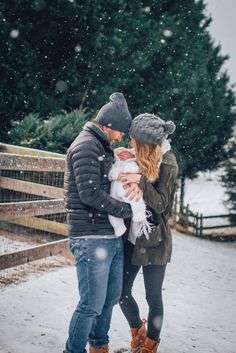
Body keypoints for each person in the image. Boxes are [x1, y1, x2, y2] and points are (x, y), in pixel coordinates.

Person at [63, 92, 138, 353]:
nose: (120, 138)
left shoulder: (102, 145)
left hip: (110, 234)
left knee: (109, 299)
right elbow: (90, 193)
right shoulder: (86, 146)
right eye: (119, 132)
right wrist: (128, 210)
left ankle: (99, 346)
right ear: (109, 126)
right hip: (91, 235)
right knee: (91, 304)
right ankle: (74, 350)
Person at [118, 113, 178, 353]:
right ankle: (137, 329)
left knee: (153, 298)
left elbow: (162, 205)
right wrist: (125, 157)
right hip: (132, 237)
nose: (130, 143)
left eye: (134, 142)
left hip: (156, 241)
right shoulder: (140, 155)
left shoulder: (169, 163)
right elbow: (134, 163)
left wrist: (140, 181)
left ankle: (150, 345)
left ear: (146, 144)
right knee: (121, 293)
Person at [108, 146, 155, 238]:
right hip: (114, 190)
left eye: (125, 153)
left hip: (127, 189)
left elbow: (135, 169)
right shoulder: (115, 165)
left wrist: (127, 171)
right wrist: (117, 175)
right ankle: (118, 227)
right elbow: (110, 174)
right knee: (112, 211)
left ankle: (139, 215)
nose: (122, 155)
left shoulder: (132, 163)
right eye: (119, 154)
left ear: (131, 154)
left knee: (136, 199)